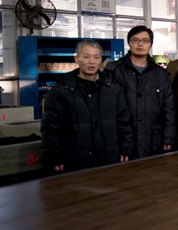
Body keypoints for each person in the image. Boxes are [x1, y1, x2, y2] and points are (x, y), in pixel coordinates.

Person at [41, 40, 132, 172]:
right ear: (76, 58)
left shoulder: (114, 90)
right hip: (74, 161)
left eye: (96, 57)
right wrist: (55, 156)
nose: (91, 62)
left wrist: (126, 148)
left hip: (108, 159)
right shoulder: (60, 92)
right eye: (86, 57)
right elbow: (51, 128)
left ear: (101, 60)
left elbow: (123, 123)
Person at [105, 25, 175, 158]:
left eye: (145, 40)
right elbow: (107, 110)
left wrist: (169, 136)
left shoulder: (161, 74)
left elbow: (169, 109)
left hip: (153, 138)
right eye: (135, 40)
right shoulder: (114, 71)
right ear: (129, 43)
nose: (140, 44)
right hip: (123, 139)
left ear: (150, 44)